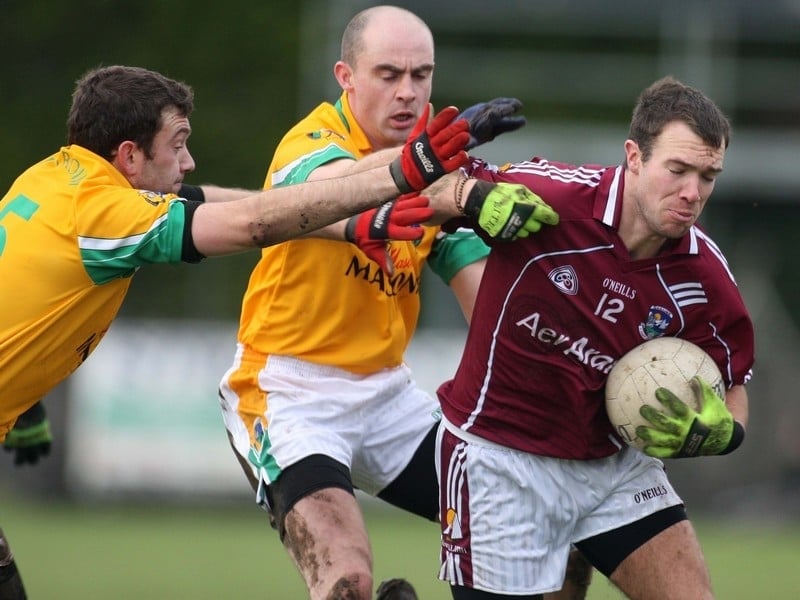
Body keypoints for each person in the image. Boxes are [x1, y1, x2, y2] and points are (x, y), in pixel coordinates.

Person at [0, 62, 481, 600]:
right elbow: (252, 225)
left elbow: (235, 203)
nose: (189, 160)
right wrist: (396, 176)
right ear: (129, 156)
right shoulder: (104, 213)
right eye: (177, 144)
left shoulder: (55, 176)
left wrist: (351, 223)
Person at [217, 6, 588, 600]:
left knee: (554, 541)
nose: (408, 92)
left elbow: (492, 305)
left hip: (387, 397)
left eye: (422, 75)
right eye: (388, 74)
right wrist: (446, 183)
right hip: (288, 393)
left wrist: (571, 365)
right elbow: (338, 189)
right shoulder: (313, 143)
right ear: (346, 76)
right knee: (347, 582)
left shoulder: (435, 169)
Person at [423, 76, 755, 599]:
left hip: (615, 469)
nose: (693, 193)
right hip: (499, 460)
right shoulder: (554, 196)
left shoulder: (705, 277)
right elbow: (431, 187)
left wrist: (726, 433)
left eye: (708, 176)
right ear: (635, 156)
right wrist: (471, 196)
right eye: (679, 170)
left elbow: (734, 382)